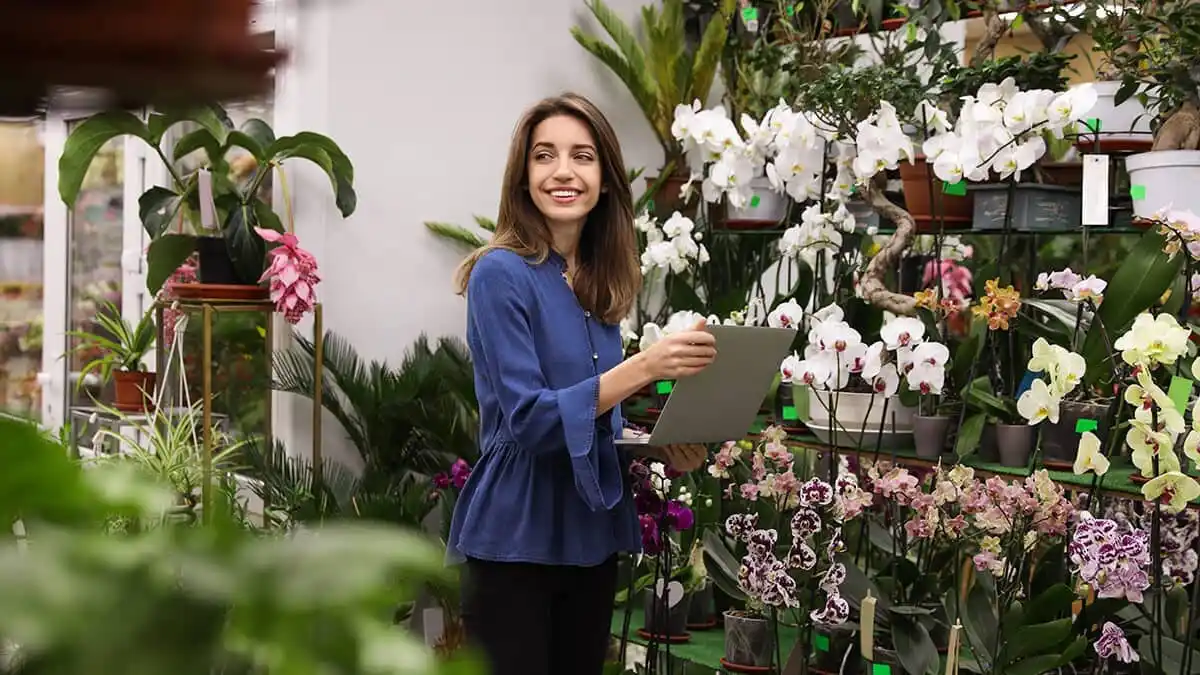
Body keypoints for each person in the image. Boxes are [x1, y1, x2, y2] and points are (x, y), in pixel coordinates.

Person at [447, 92, 718, 675]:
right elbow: (532, 420)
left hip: (588, 537)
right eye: (544, 156)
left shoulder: (599, 288)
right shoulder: (500, 274)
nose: (563, 172)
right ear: (523, 176)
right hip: (516, 540)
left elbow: (595, 416)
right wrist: (645, 366)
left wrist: (658, 446)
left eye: (582, 156)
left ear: (604, 179)